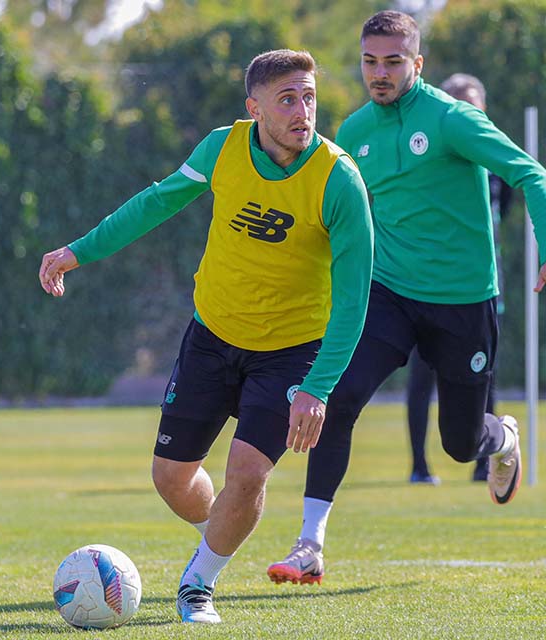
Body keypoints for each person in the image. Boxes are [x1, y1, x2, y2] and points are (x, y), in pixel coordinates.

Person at [39, 50, 373, 623]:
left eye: (310, 97)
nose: (303, 111)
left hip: (292, 353)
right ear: (254, 107)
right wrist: (78, 251)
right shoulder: (222, 147)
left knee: (247, 473)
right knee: (170, 478)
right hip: (212, 336)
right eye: (287, 99)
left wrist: (317, 388)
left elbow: (354, 300)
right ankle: (220, 531)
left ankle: (199, 584)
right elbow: (155, 203)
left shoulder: (338, 180)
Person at [267, 10, 546, 588]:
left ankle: (503, 437)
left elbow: (531, 175)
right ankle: (309, 546)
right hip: (388, 292)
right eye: (370, 61)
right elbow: (339, 217)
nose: (380, 72)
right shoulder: (354, 131)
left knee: (460, 443)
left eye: (393, 61)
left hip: (463, 302)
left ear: (417, 64)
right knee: (336, 398)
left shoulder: (451, 120)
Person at [403, 73, 507, 486]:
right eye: (458, 102)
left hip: (478, 288)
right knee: (421, 376)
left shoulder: (494, 162)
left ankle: (486, 458)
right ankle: (418, 465)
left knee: (483, 375)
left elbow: (505, 212)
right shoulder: (430, 156)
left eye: (473, 103)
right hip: (421, 286)